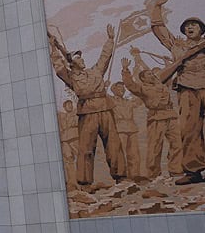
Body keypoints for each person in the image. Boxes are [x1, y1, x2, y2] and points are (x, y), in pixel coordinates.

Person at [149, 0, 205, 184]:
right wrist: (157, 7)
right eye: (187, 26)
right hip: (187, 88)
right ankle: (193, 171)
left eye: (194, 25)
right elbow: (158, 29)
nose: (190, 27)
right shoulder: (177, 45)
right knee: (189, 130)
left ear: (201, 29)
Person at [49, 25, 127, 189]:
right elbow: (58, 67)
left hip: (105, 109)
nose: (82, 59)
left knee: (113, 144)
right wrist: (53, 48)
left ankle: (121, 177)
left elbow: (105, 57)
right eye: (78, 58)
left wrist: (110, 40)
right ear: (72, 63)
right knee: (86, 147)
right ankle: (85, 182)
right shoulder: (70, 77)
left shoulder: (95, 71)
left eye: (82, 58)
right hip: (87, 112)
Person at [122, 54, 183, 179]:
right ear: (143, 79)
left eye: (152, 73)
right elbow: (130, 85)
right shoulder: (142, 88)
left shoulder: (161, 84)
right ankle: (153, 174)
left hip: (170, 116)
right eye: (149, 74)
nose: (152, 75)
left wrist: (168, 63)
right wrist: (125, 70)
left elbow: (169, 74)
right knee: (155, 147)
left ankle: (176, 170)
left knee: (177, 144)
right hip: (156, 117)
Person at [109, 81, 145, 181]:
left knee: (134, 153)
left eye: (123, 88)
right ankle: (120, 175)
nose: (122, 90)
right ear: (114, 90)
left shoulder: (129, 101)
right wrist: (105, 85)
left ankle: (135, 175)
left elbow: (140, 100)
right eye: (119, 88)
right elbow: (102, 96)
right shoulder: (111, 100)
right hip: (119, 128)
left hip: (132, 128)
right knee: (120, 153)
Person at [57, 100, 79, 190]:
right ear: (64, 107)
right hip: (65, 140)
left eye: (70, 104)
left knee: (80, 158)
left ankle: (81, 181)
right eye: (67, 105)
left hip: (75, 137)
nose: (69, 106)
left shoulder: (76, 113)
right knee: (68, 160)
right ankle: (72, 182)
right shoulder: (62, 116)